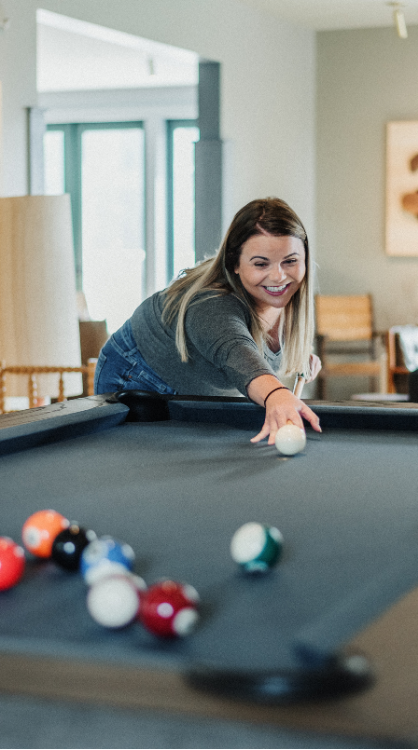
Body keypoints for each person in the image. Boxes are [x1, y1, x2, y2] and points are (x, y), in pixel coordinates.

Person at [95, 197, 322, 444]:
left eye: (290, 261)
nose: (279, 276)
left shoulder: (285, 296)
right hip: (137, 377)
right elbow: (237, 352)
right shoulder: (212, 304)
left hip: (195, 387)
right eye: (261, 263)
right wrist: (277, 394)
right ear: (234, 263)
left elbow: (262, 348)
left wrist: (300, 356)